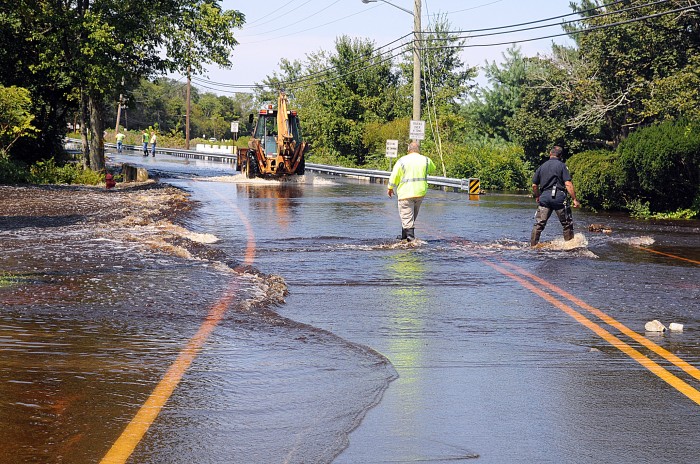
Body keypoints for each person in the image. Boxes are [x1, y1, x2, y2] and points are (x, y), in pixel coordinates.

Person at [530, 145, 581, 246]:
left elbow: (534, 185)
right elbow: (568, 184)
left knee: (539, 224)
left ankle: (533, 246)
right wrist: (574, 199)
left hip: (544, 199)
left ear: (550, 154)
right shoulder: (562, 166)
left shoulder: (542, 166)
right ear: (560, 155)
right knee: (567, 224)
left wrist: (537, 196)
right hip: (559, 198)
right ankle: (570, 247)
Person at [387, 141, 437, 241]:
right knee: (411, 216)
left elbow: (395, 175)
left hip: (406, 193)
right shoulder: (426, 160)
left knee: (406, 215)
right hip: (420, 192)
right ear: (419, 150)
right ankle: (404, 237)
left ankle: (410, 238)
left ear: (408, 150)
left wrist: (390, 187)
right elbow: (433, 168)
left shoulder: (402, 161)